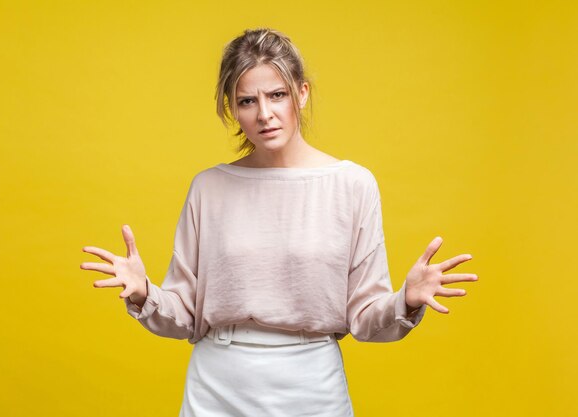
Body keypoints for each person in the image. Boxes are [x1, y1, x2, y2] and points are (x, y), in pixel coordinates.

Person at [80, 28, 478, 417]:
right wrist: (143, 292)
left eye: (277, 95)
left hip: (311, 385)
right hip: (218, 385)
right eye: (247, 101)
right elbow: (183, 314)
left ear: (301, 93)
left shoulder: (352, 185)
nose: (264, 114)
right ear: (232, 108)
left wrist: (404, 301)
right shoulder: (209, 188)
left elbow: (365, 319)